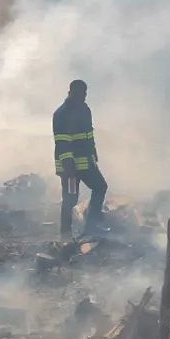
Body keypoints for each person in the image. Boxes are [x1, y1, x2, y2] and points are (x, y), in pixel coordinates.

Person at [53, 79, 106, 237]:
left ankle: (92, 226)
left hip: (86, 164)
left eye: (84, 94)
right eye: (79, 94)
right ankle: (65, 232)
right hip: (70, 168)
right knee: (70, 199)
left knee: (100, 187)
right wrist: (68, 165)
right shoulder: (62, 114)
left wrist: (93, 153)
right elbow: (62, 142)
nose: (82, 97)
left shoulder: (84, 110)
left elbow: (88, 134)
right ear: (70, 93)